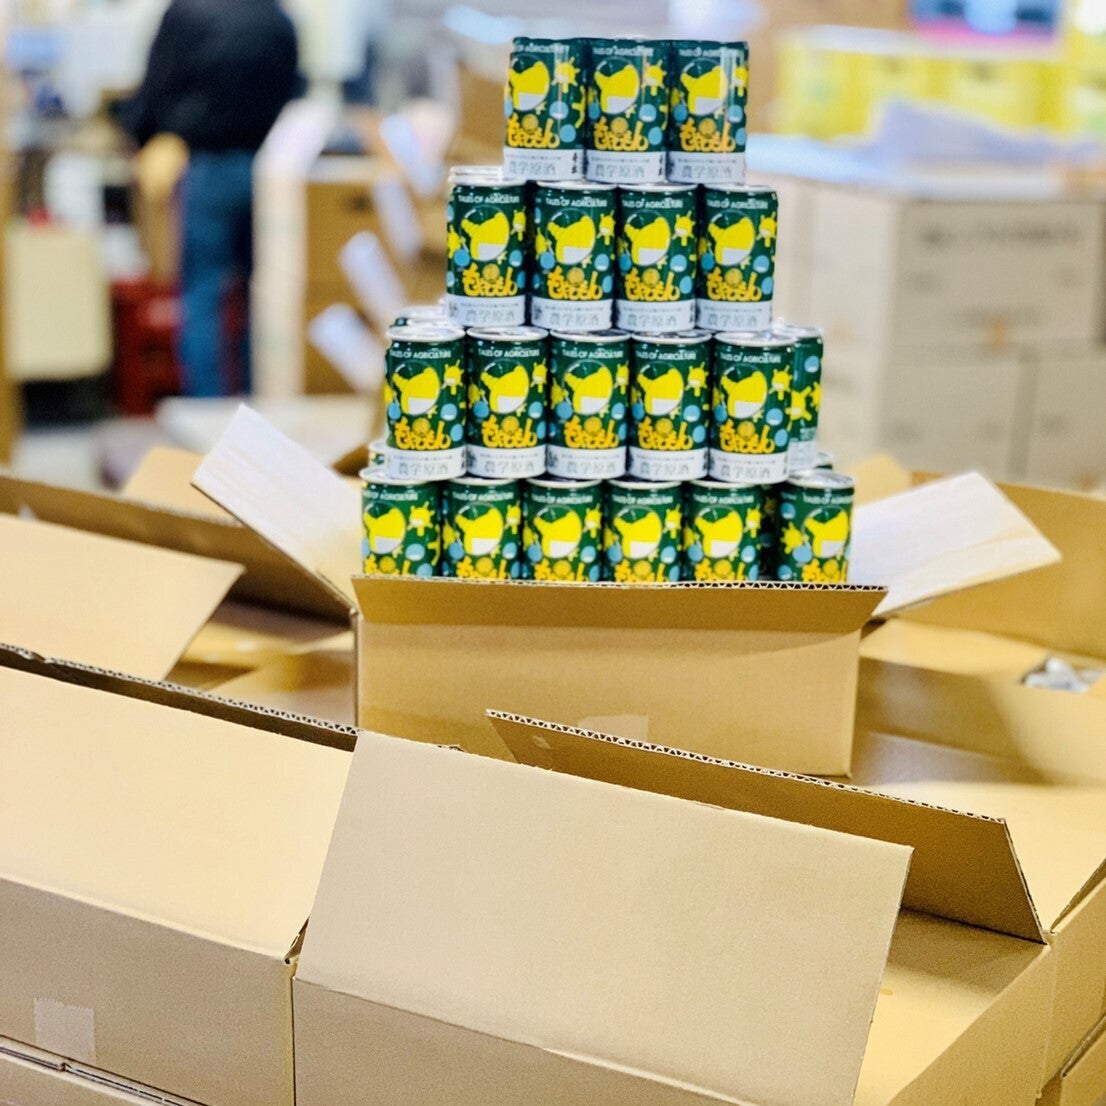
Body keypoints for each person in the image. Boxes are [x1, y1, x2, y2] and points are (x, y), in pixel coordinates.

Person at [125, 0, 301, 396]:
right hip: (269, 170)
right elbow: (294, 86)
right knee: (264, 294)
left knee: (202, 293)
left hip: (208, 166)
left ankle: (207, 406)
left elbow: (158, 84)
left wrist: (143, 135)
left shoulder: (189, 11)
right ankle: (262, 399)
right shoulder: (275, 17)